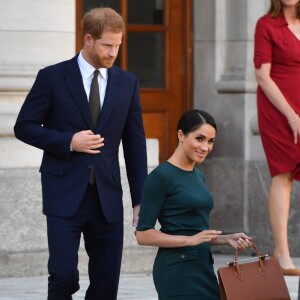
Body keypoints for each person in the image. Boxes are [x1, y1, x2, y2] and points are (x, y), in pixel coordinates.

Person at [14, 7, 148, 300]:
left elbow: (135, 145)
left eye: (118, 45)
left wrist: (141, 199)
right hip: (64, 193)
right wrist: (68, 141)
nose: (114, 52)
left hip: (107, 197)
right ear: (88, 39)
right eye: (107, 45)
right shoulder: (52, 77)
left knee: (106, 283)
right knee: (63, 276)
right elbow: (23, 126)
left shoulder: (127, 83)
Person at [135, 109, 252, 299]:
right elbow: (143, 234)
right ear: (181, 135)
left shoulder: (198, 175)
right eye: (199, 139)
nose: (205, 147)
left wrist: (226, 238)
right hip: (176, 270)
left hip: (203, 267)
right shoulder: (159, 178)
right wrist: (189, 241)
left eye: (210, 141)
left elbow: (194, 229)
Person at [253, 0, 300, 276]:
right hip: (279, 110)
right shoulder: (266, 24)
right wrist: (292, 116)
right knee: (283, 175)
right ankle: (282, 254)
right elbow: (262, 75)